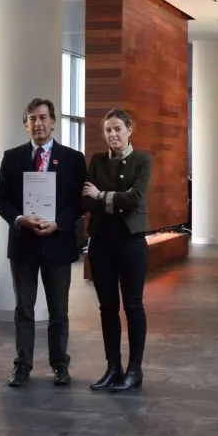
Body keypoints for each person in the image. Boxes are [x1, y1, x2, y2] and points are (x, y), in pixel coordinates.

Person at [0, 98, 87, 387]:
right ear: (26, 125)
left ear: (53, 122)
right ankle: (22, 365)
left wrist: (58, 222)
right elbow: (1, 199)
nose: (38, 123)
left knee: (59, 310)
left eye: (43, 117)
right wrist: (19, 219)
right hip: (23, 244)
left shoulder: (73, 159)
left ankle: (60, 365)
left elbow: (79, 202)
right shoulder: (12, 157)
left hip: (58, 243)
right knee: (24, 309)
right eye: (32, 119)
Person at [81, 109, 152, 392]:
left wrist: (101, 195)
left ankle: (135, 369)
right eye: (108, 130)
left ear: (129, 129)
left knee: (133, 305)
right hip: (101, 243)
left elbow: (135, 199)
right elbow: (86, 202)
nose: (113, 134)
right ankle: (113, 367)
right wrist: (112, 200)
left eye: (118, 129)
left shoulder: (142, 160)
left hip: (131, 242)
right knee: (107, 307)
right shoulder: (97, 161)